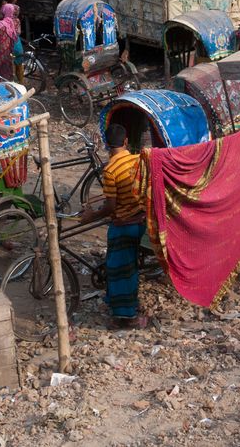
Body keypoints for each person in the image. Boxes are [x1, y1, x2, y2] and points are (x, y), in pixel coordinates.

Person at [83, 125, 149, 329]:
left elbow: (110, 206)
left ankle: (126, 317)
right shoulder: (138, 160)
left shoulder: (110, 170)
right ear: (126, 141)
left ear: (106, 145)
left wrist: (91, 216)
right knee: (124, 267)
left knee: (121, 270)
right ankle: (118, 305)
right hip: (139, 221)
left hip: (123, 224)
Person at [0, 2, 23, 82]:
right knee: (7, 71)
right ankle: (14, 84)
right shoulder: (12, 23)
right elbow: (16, 35)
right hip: (6, 53)